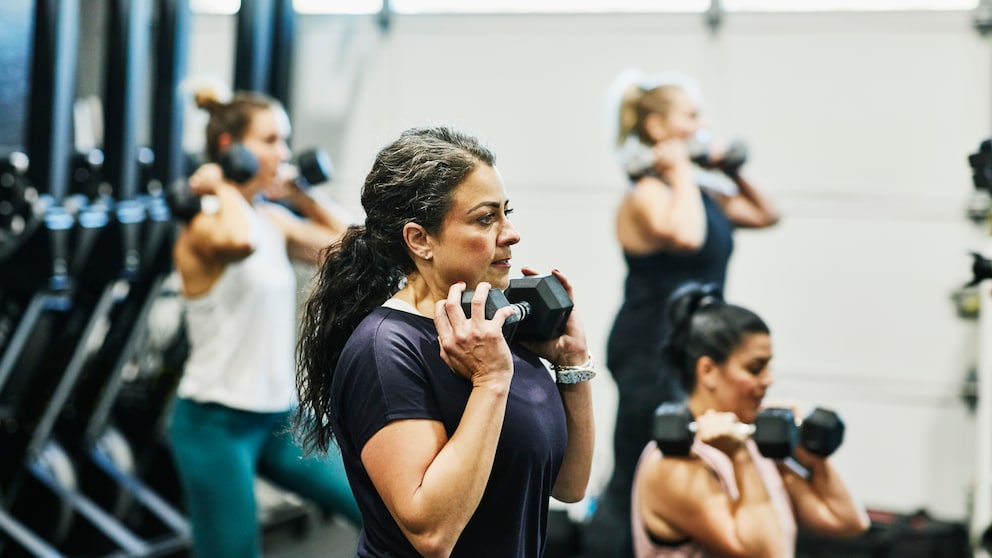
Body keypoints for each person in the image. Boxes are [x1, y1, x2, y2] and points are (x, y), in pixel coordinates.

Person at [294, 125, 596, 557]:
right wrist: (490, 382)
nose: (510, 233)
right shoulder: (385, 351)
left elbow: (569, 484)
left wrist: (572, 365)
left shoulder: (487, 327)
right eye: (485, 218)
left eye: (507, 213)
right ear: (420, 239)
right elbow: (432, 534)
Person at [583, 70, 781, 558]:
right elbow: (687, 236)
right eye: (691, 116)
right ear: (656, 129)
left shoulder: (701, 192)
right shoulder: (647, 193)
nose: (702, 124)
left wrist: (728, 170)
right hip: (648, 347)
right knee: (640, 464)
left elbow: (765, 213)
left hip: (693, 345)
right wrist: (680, 172)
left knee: (692, 457)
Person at [168, 88, 360, 558]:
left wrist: (299, 192)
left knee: (381, 508)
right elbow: (239, 241)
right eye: (271, 140)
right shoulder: (204, 227)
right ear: (231, 146)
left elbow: (351, 244)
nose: (284, 153)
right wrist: (221, 186)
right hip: (215, 425)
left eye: (285, 141)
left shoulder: (271, 218)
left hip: (280, 416)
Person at [631, 282, 869, 557]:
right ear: (708, 371)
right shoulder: (673, 465)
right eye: (755, 368)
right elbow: (767, 554)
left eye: (769, 365)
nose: (769, 380)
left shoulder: (753, 442)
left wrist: (806, 449)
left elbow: (848, 521)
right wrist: (740, 457)